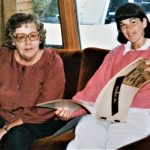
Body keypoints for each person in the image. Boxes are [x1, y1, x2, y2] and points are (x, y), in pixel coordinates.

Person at [56, 3, 150, 149]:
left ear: (144, 22)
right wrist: (71, 109)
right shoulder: (116, 54)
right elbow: (94, 88)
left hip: (139, 115)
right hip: (108, 113)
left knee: (88, 145)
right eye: (123, 25)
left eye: (133, 22)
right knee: (87, 126)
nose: (128, 29)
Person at [0, 12, 67, 150]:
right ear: (12, 40)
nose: (28, 42)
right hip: (4, 115)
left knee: (16, 136)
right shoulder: (3, 56)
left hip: (40, 121)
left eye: (33, 35)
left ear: (40, 37)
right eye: (21, 37)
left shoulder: (52, 62)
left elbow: (46, 108)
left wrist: (7, 128)